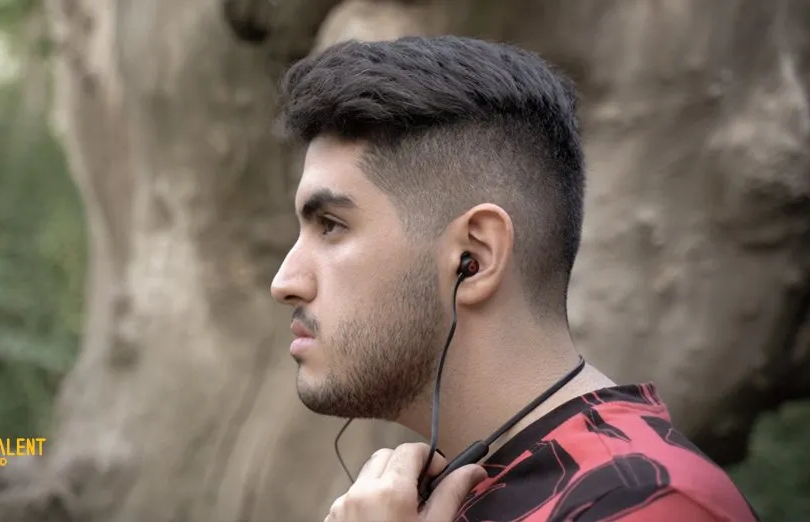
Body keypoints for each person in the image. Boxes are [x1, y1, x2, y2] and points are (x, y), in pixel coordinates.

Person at [269, 35, 759, 522]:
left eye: (331, 226)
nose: (285, 282)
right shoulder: (421, 504)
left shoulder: (642, 502)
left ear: (475, 258)